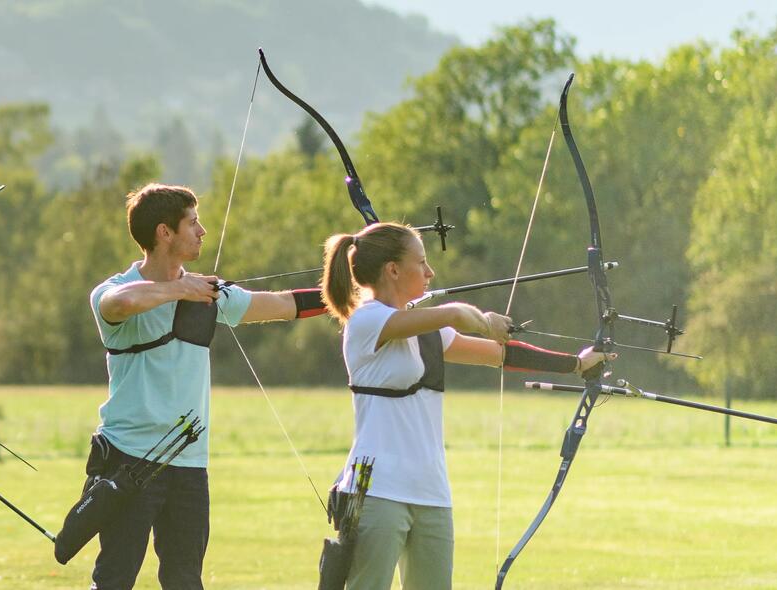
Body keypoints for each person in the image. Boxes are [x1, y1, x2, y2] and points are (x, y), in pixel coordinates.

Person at [319, 221, 609, 590]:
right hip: (377, 489)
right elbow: (455, 315)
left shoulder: (427, 331)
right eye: (421, 263)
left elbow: (501, 356)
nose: (430, 272)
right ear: (392, 270)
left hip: (430, 490)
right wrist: (484, 322)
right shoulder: (366, 321)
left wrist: (577, 363)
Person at [87, 183, 332, 589]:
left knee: (185, 580)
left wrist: (348, 296)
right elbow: (120, 304)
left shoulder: (209, 295)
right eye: (193, 222)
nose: (202, 231)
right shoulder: (114, 290)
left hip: (187, 463)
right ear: (164, 232)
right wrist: (182, 289)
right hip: (127, 460)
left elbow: (284, 305)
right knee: (114, 579)